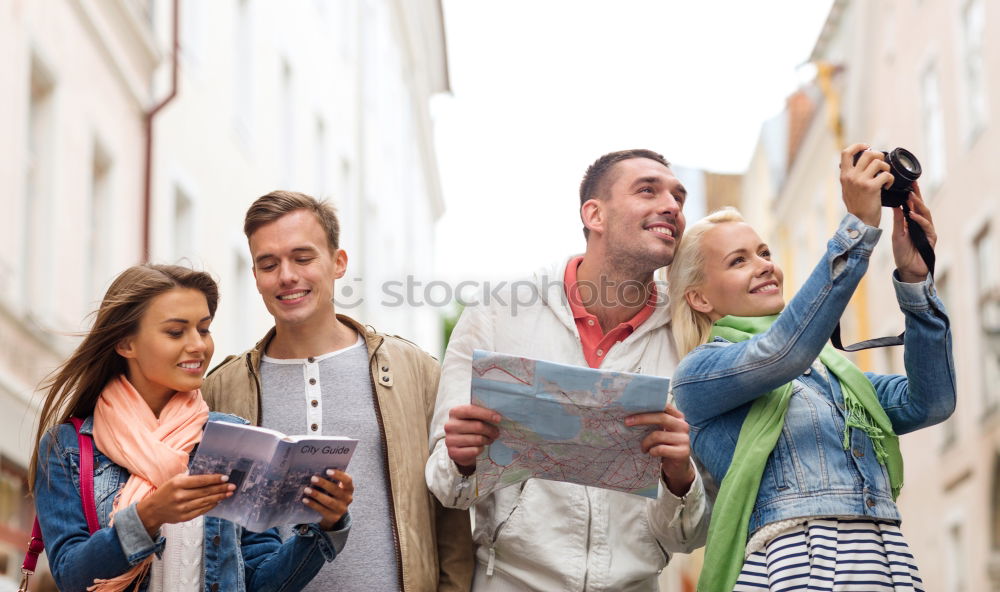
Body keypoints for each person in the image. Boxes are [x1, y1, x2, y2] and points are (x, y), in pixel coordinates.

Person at [668, 144, 956, 591]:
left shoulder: (833, 374)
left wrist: (916, 280)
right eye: (738, 260)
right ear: (700, 298)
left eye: (764, 252)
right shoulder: (699, 373)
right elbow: (782, 353)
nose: (765, 267)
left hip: (882, 556)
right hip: (798, 564)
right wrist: (857, 227)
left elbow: (930, 401)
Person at [426, 149, 710, 590]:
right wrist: (462, 460)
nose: (672, 206)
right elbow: (449, 491)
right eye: (647, 190)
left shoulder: (692, 338)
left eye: (678, 197)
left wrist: (679, 477)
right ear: (594, 214)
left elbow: (690, 535)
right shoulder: (497, 315)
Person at [202, 191, 474, 592]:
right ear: (256, 275)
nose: (286, 276)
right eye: (268, 263)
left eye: (303, 257)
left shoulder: (414, 371)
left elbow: (449, 519)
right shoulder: (221, 388)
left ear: (338, 263)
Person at [30, 264, 353, 592]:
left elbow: (260, 583)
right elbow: (71, 577)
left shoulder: (234, 442)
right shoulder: (67, 447)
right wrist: (149, 516)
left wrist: (325, 526)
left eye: (204, 329)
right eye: (175, 332)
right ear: (126, 344)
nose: (198, 345)